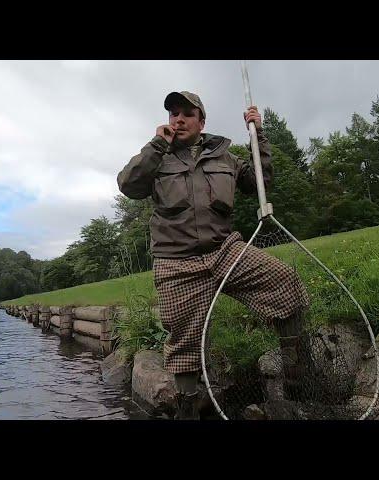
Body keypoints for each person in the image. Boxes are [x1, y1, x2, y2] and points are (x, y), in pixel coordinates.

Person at [117, 91, 311, 420]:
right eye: (173, 114)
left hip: (225, 250)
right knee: (183, 339)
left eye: (186, 114)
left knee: (285, 282)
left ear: (202, 121)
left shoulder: (225, 158)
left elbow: (260, 182)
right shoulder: (157, 158)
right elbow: (128, 184)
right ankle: (189, 404)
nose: (178, 120)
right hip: (176, 262)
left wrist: (257, 135)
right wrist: (155, 146)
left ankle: (295, 375)